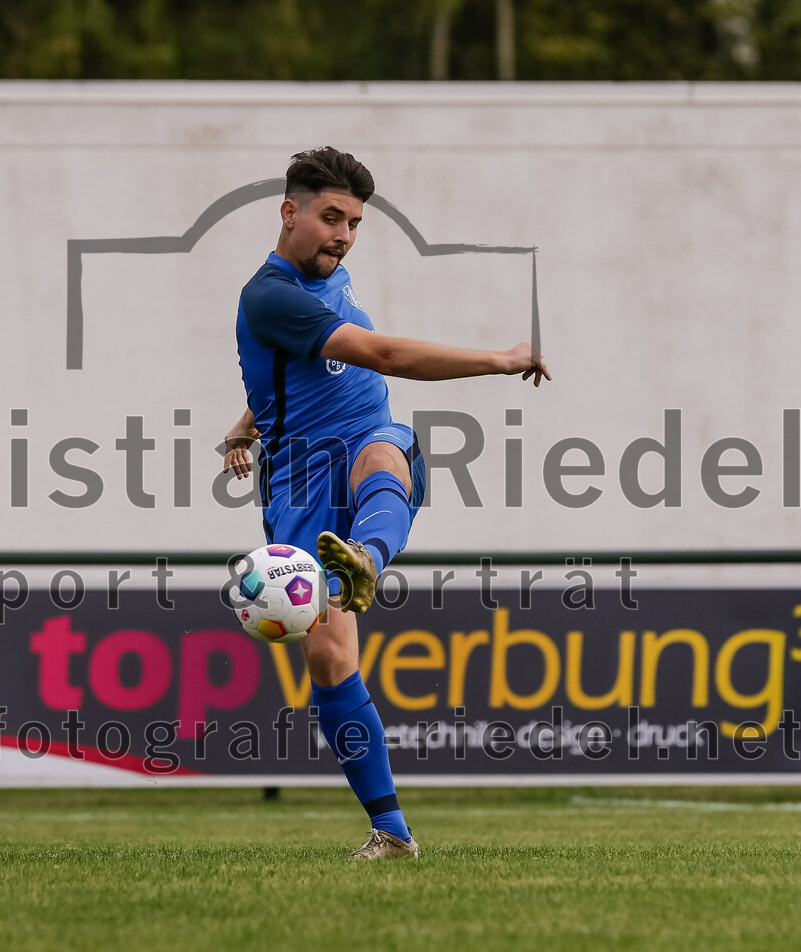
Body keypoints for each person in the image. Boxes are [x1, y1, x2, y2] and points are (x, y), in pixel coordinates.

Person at [223, 147, 550, 860]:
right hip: (299, 484)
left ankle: (363, 560)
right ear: (290, 213)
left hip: (362, 445)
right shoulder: (271, 295)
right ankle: (392, 831)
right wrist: (498, 359)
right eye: (331, 218)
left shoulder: (328, 275)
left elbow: (296, 372)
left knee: (382, 453)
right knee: (331, 659)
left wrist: (243, 423)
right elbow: (385, 357)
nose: (343, 235)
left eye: (354, 223)